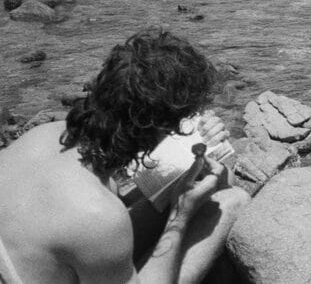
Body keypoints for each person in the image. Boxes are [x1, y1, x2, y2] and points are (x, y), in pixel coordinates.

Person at [0, 28, 249, 284]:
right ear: (160, 129)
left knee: (222, 183)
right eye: (183, 125)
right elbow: (94, 220)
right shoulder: (100, 217)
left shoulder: (43, 136)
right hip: (86, 240)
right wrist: (180, 216)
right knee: (233, 202)